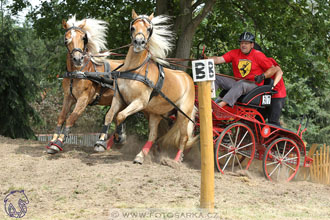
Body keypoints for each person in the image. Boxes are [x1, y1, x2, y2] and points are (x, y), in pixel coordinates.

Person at [206, 31, 277, 108]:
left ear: (252, 45)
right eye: (242, 43)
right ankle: (206, 100)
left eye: (246, 43)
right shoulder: (234, 53)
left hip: (253, 84)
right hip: (238, 82)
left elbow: (273, 69)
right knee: (216, 77)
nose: (243, 45)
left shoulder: (258, 55)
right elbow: (219, 59)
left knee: (241, 83)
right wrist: (206, 59)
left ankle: (220, 105)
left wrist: (263, 76)